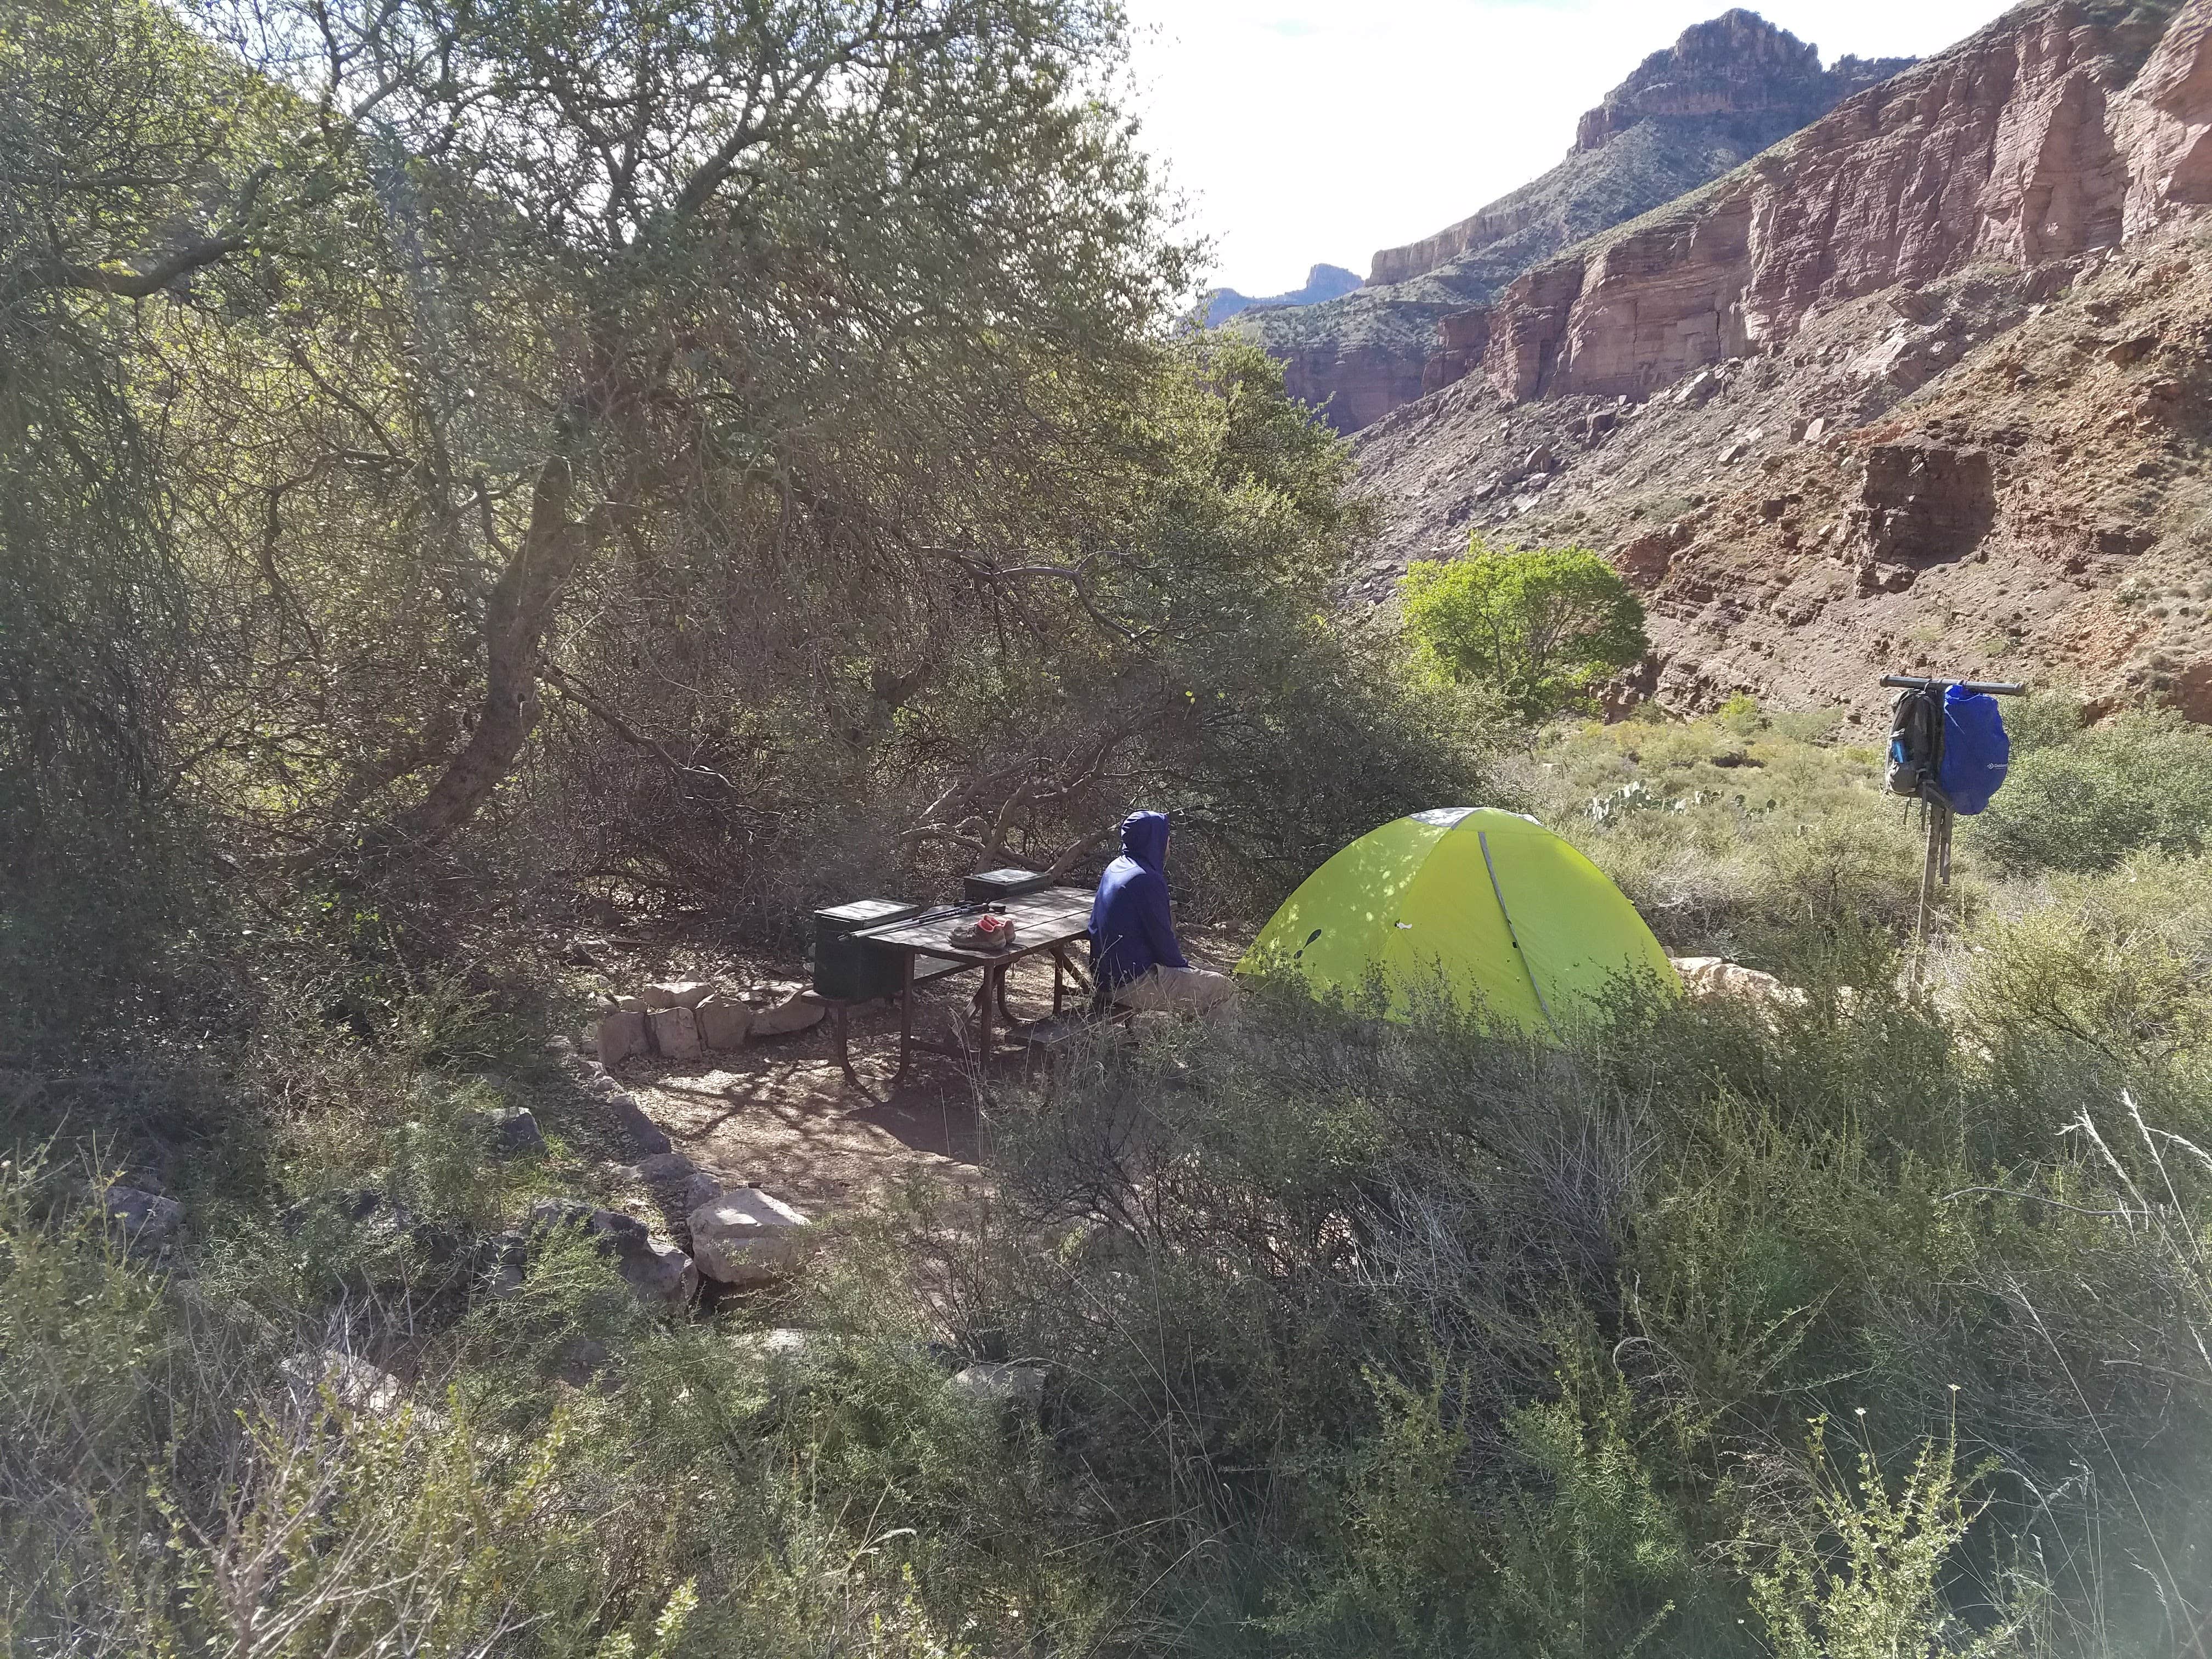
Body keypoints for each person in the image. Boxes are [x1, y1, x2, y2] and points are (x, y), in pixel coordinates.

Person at [1087, 810, 1237, 1015]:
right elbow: (1164, 943)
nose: (1169, 839)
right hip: (1131, 985)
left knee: (1199, 981)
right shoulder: (1146, 880)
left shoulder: (1115, 867)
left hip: (1105, 980)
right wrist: (1185, 970)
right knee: (1223, 988)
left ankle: (1191, 1042)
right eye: (1165, 833)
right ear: (1153, 838)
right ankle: (1217, 1047)